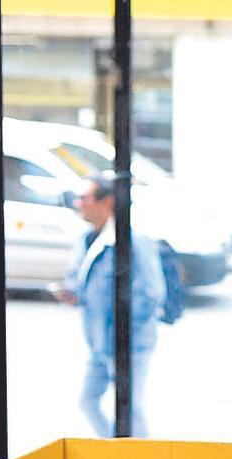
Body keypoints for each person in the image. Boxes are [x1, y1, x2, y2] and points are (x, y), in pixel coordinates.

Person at [57, 173, 165, 438]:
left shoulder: (132, 243)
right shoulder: (86, 240)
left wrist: (124, 331)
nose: (79, 203)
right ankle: (113, 451)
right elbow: (82, 282)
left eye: (85, 198)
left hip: (127, 345)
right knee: (88, 400)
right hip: (98, 343)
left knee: (130, 409)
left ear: (106, 202)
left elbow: (151, 293)